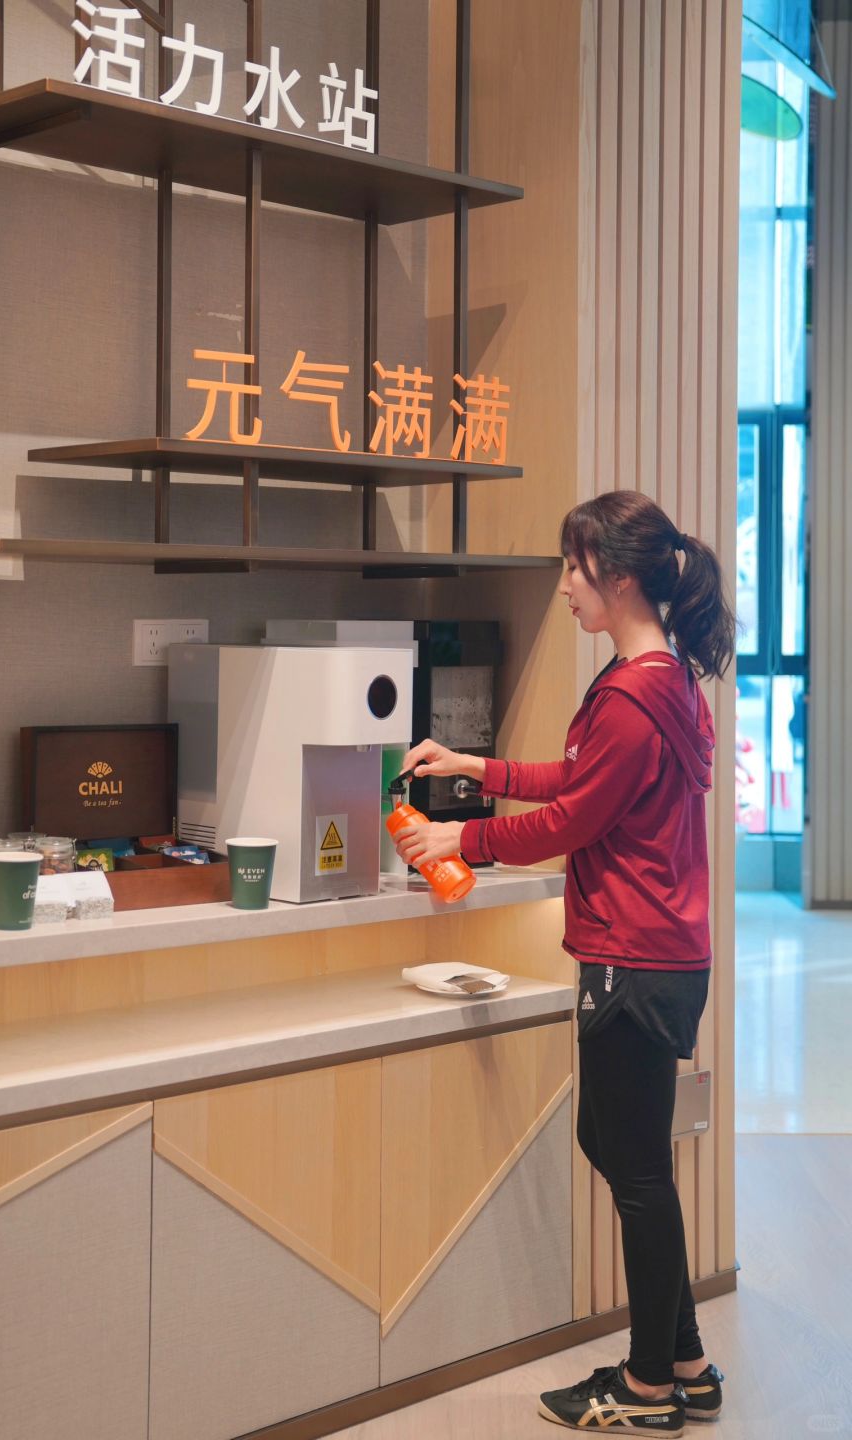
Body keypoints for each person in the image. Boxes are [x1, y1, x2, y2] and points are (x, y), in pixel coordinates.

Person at [394, 490, 737, 1436]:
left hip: (633, 955)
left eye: (574, 569)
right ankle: (687, 1362)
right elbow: (583, 782)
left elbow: (573, 819)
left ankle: (647, 1385)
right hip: (662, 952)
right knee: (627, 1153)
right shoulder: (660, 680)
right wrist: (477, 767)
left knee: (633, 1166)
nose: (564, 588)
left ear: (617, 577)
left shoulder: (633, 697)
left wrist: (461, 835)